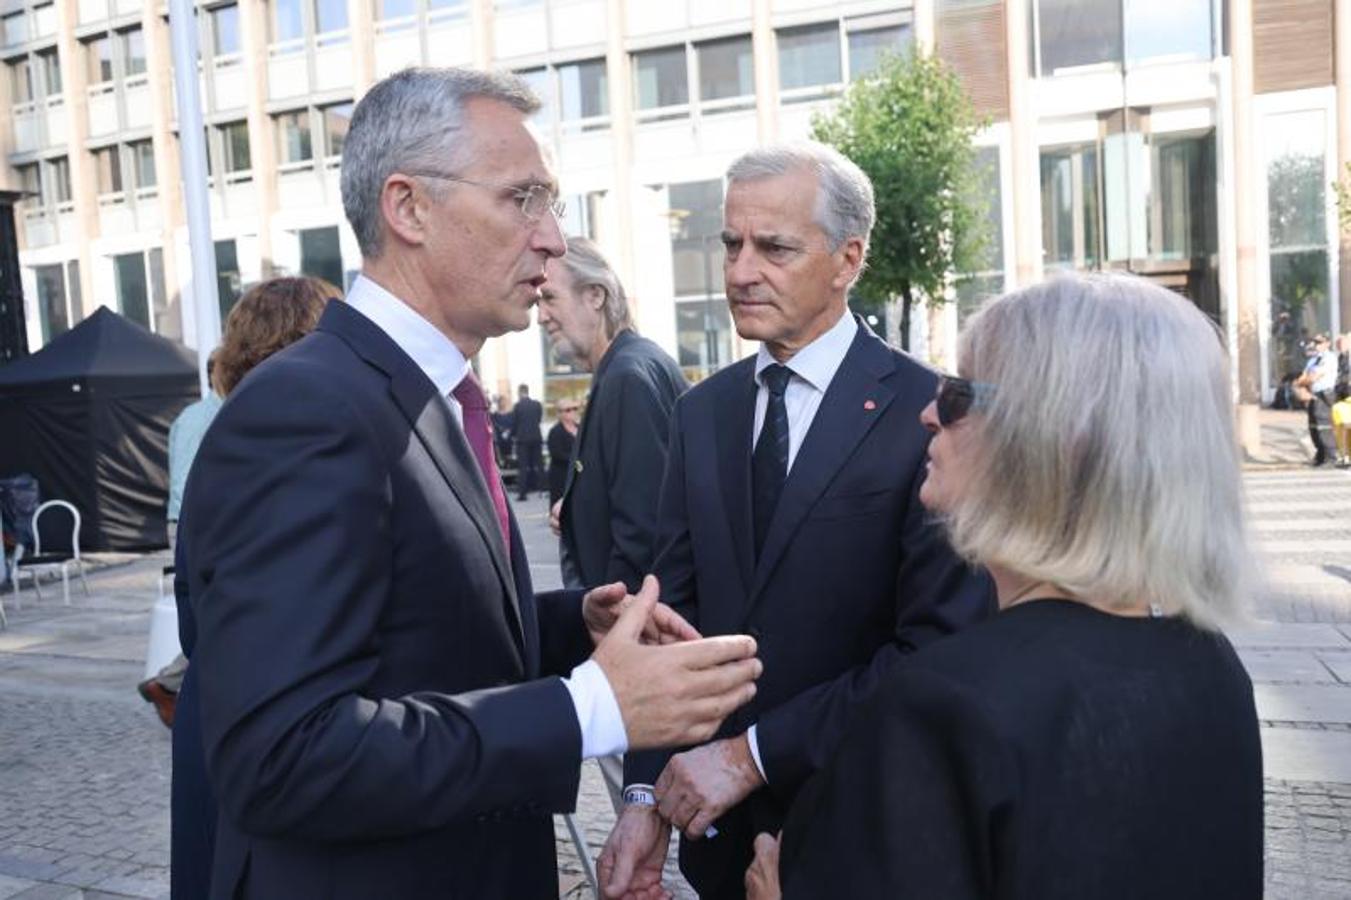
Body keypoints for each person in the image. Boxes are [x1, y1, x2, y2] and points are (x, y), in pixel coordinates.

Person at [175, 67, 761, 900]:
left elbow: (402, 628)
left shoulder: (423, 392)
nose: (553, 237)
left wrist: (567, 627)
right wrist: (589, 705)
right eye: (523, 199)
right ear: (407, 208)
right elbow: (281, 757)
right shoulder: (307, 408)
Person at [745, 274, 1263, 900]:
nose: (929, 413)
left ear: (1051, 439)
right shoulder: (1208, 661)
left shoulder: (946, 704)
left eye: (959, 394)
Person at [599, 142, 993, 900]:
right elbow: (667, 627)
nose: (740, 271)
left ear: (847, 259)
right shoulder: (699, 414)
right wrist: (645, 799)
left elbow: (935, 649)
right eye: (730, 244)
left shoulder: (927, 416)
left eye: (773, 247)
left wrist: (752, 754)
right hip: (714, 842)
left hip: (863, 836)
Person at [169, 275, 339, 900]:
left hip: (215, 717)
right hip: (257, 738)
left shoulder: (229, 439)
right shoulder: (280, 449)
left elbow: (194, 616)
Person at [540, 237, 689, 593]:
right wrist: (578, 510)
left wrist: (615, 630)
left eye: (549, 298)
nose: (541, 317)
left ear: (595, 295)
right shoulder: (629, 366)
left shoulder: (627, 377)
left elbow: (642, 531)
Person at [136, 351, 223, 728]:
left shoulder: (186, 417)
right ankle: (169, 682)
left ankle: (171, 683)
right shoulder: (229, 413)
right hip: (208, 516)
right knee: (215, 609)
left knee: (203, 605)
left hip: (180, 516)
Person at [1296, 333, 1338, 466]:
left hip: (1324, 394)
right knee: (1313, 426)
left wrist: (1305, 380)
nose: (1316, 345)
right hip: (1313, 394)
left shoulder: (1329, 358)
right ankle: (1320, 455)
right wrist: (1303, 381)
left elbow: (1313, 376)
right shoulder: (1313, 359)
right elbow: (1303, 376)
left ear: (1327, 344)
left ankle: (1330, 457)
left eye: (1320, 342)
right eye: (1315, 342)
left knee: (1323, 426)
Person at [514, 382, 544, 499]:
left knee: (523, 466)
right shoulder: (537, 404)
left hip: (522, 439)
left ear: (520, 392)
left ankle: (523, 493)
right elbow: (539, 419)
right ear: (528, 391)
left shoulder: (518, 406)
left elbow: (515, 423)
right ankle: (543, 490)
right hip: (536, 437)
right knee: (539, 464)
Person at [547, 398, 579, 506]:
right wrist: (577, 461)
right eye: (568, 409)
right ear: (560, 413)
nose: (573, 412)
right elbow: (557, 454)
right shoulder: (555, 431)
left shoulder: (581, 428)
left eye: (575, 408)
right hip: (561, 475)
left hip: (578, 474)